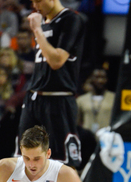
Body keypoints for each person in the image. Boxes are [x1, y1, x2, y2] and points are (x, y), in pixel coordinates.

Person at [15, 0, 86, 169]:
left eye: (38, 0)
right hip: (34, 97)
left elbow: (56, 61)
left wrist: (37, 30)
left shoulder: (71, 19)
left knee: (66, 165)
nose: (34, 5)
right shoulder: (43, 23)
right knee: (22, 158)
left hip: (59, 98)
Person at [76, 67, 115, 135]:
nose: (100, 80)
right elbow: (77, 122)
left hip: (107, 137)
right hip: (87, 138)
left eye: (103, 77)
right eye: (97, 77)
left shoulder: (114, 98)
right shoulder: (81, 100)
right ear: (91, 79)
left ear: (107, 79)